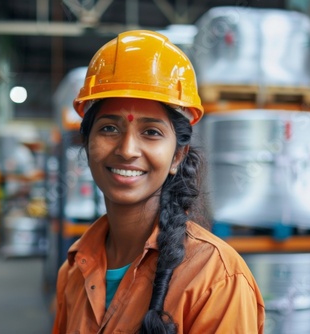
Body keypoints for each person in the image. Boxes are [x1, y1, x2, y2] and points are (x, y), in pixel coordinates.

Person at [52, 30, 265, 334]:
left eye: (151, 132)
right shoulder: (73, 270)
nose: (127, 150)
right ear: (86, 145)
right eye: (109, 128)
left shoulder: (216, 279)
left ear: (177, 156)